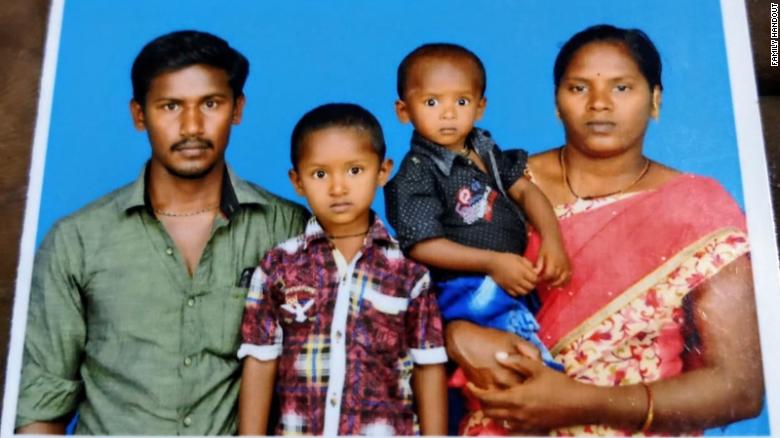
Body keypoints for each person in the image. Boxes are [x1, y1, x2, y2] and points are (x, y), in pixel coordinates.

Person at [447, 24, 764, 435]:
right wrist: (455, 334)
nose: (599, 104)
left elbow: (740, 387)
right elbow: (407, 296)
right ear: (557, 103)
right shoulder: (494, 183)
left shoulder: (698, 209)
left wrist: (583, 404)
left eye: (622, 88)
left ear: (655, 100)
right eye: (579, 88)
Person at [15, 30, 308, 435]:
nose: (191, 126)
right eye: (170, 106)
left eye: (211, 103)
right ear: (139, 115)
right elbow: (41, 408)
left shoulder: (289, 230)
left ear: (237, 109)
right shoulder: (76, 240)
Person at [384, 43, 570, 420]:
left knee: (518, 334)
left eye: (462, 102)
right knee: (514, 353)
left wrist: (552, 239)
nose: (448, 114)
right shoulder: (417, 171)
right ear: (404, 111)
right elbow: (422, 245)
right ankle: (544, 389)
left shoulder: (484, 148)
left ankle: (534, 393)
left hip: (498, 280)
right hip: (459, 286)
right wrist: (494, 262)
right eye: (432, 102)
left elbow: (526, 191)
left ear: (480, 106)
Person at [237, 103, 448, 436]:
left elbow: (429, 367)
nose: (338, 188)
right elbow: (261, 361)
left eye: (355, 170)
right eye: (320, 174)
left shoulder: (409, 275)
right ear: (297, 181)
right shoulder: (279, 267)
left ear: (382, 171)